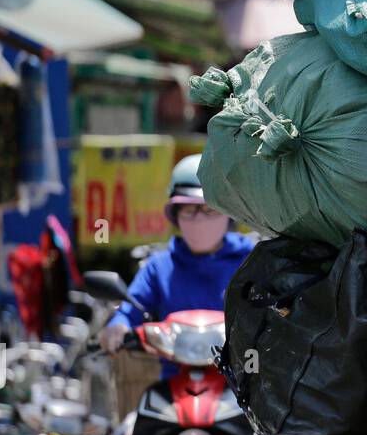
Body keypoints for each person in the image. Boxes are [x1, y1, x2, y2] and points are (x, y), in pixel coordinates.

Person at [100, 154, 255, 378]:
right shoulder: (159, 267)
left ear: (229, 213)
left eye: (210, 209)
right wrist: (118, 328)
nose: (199, 220)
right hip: (173, 388)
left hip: (241, 389)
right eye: (189, 211)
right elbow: (130, 311)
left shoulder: (251, 262)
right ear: (175, 215)